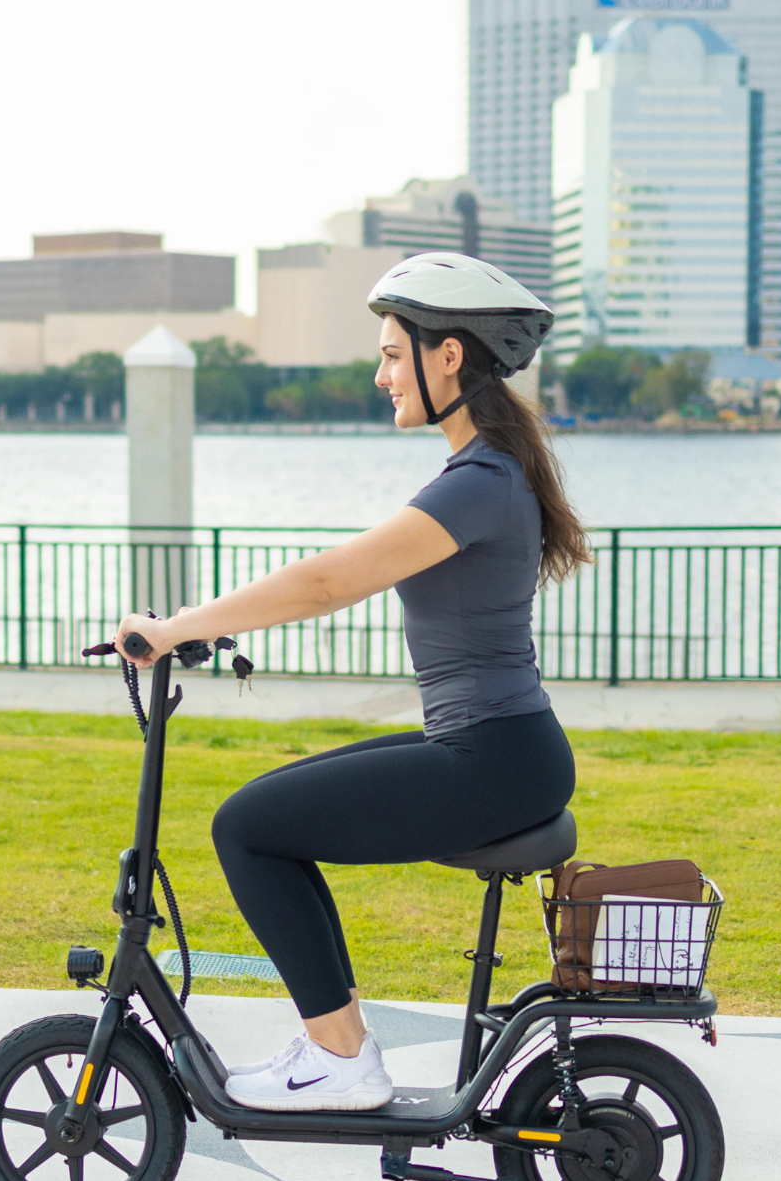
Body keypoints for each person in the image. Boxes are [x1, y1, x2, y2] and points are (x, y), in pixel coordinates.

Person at [113, 252, 589, 1112]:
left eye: (393, 355)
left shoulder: (479, 482)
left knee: (248, 827)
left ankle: (340, 1059)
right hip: (497, 751)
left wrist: (180, 626)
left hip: (494, 760)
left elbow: (328, 582)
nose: (381, 375)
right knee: (269, 811)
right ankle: (337, 1048)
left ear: (451, 356)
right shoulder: (484, 473)